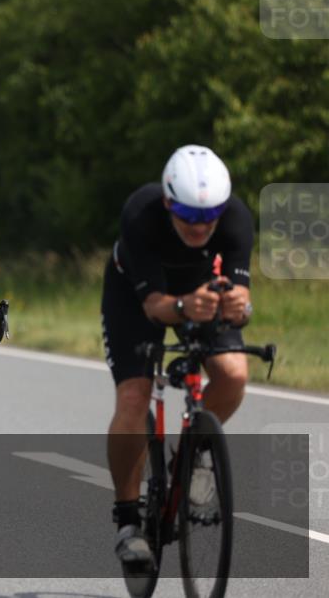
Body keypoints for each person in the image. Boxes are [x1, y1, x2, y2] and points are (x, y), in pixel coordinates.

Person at [102, 145, 253, 566]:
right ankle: (128, 521)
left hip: (199, 293)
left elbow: (242, 298)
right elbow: (154, 307)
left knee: (233, 374)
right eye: (188, 215)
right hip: (135, 297)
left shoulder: (236, 217)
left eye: (210, 215)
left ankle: (192, 455)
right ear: (169, 203)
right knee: (134, 397)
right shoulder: (141, 213)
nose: (200, 226)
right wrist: (186, 307)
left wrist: (239, 305)